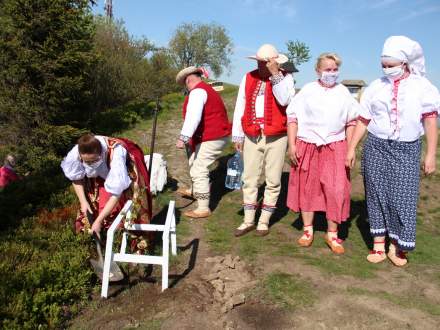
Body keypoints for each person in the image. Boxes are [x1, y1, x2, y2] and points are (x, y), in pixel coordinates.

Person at [346, 36, 439, 266]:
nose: (387, 69)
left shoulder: (423, 87)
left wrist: (430, 154)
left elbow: (430, 122)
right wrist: (351, 148)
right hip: (376, 146)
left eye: (392, 65)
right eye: (384, 65)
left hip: (407, 149)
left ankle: (397, 246)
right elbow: (363, 120)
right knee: (376, 193)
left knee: (404, 197)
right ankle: (378, 244)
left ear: (404, 63)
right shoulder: (376, 87)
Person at [286, 53, 360, 254]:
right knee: (308, 186)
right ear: (318, 70)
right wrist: (292, 145)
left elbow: (351, 121)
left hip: (335, 146)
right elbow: (292, 118)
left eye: (335, 69)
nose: (332, 73)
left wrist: (350, 149)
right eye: (328, 69)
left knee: (336, 189)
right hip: (308, 144)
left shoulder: (343, 92)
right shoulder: (308, 91)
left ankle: (332, 233)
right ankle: (308, 230)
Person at [232, 44, 295, 237]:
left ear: (274, 62)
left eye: (265, 62)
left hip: (276, 136)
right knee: (249, 177)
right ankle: (248, 220)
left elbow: (285, 100)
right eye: (260, 62)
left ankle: (264, 221)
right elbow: (240, 104)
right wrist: (238, 134)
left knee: (273, 179)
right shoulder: (248, 77)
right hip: (252, 133)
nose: (261, 66)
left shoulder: (286, 77)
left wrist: (276, 75)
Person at [61, 134, 152, 252]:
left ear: (101, 153)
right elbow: (76, 178)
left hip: (126, 166)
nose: (90, 164)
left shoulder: (116, 154)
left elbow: (116, 194)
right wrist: (83, 202)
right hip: (103, 170)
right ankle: (99, 237)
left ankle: (125, 236)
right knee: (92, 203)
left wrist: (98, 221)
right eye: (86, 162)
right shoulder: (76, 153)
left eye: (94, 160)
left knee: (130, 200)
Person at [175, 66, 231, 218]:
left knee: (199, 168)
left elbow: (193, 116)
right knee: (194, 161)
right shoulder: (204, 89)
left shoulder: (198, 91)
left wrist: (184, 137)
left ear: (188, 80)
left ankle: (203, 207)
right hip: (212, 134)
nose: (186, 87)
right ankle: (195, 190)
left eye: (185, 83)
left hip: (213, 135)